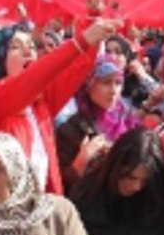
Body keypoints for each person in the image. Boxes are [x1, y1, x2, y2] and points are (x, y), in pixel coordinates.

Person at [0, 19, 116, 194]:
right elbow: (34, 78)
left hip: (41, 210)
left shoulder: (39, 102)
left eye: (31, 45)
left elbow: (78, 65)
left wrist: (92, 18)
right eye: (15, 47)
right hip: (3, 214)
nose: (28, 50)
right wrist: (81, 41)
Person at [55, 56, 144, 191]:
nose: (113, 91)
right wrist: (82, 160)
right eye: (106, 82)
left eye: (118, 83)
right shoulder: (70, 130)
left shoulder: (128, 120)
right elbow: (62, 186)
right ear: (89, 85)